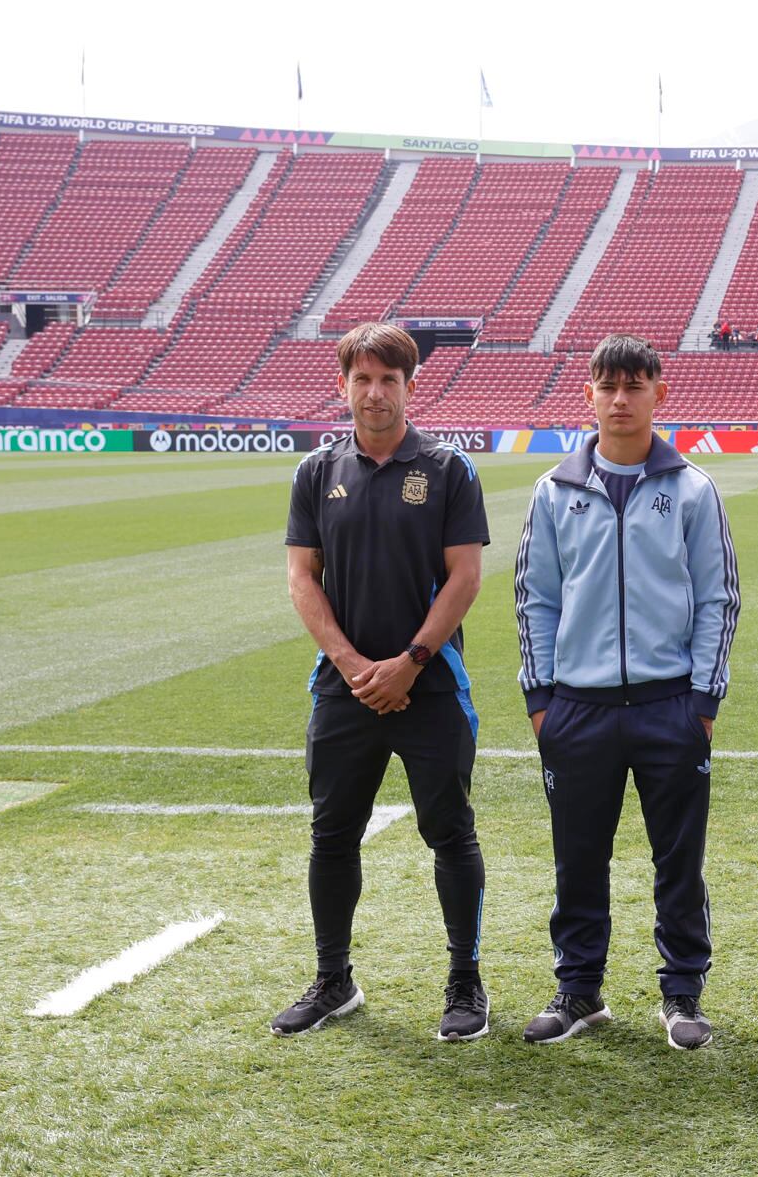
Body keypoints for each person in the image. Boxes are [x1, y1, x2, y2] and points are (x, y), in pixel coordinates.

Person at [514, 333, 739, 1051]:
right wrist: (541, 701)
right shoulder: (554, 490)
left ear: (658, 395)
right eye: (607, 387)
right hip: (576, 709)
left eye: (634, 386)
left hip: (670, 703)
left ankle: (682, 994)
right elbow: (534, 599)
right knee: (577, 856)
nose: (619, 400)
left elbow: (719, 598)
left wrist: (703, 703)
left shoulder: (693, 489)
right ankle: (580, 990)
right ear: (589, 395)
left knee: (678, 857)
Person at [275, 322, 491, 1040]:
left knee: (450, 835)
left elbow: (465, 576)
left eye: (388, 380)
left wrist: (411, 662)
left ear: (410, 385)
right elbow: (303, 579)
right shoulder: (316, 472)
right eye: (362, 379)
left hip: (429, 687)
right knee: (331, 836)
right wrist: (351, 664)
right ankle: (333, 980)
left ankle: (465, 984)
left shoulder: (449, 469)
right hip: (345, 690)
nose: (374, 393)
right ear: (344, 385)